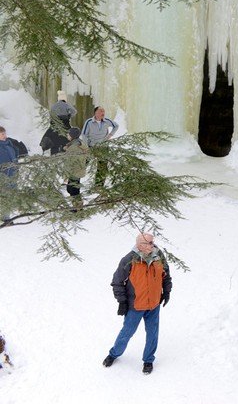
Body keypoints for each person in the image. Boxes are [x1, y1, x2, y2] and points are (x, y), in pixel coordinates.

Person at [103, 232, 172, 374]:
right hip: (135, 306)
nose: (152, 246)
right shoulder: (128, 260)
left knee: (152, 333)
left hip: (154, 304)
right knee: (127, 332)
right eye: (149, 243)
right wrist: (122, 302)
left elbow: (166, 276)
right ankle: (114, 354)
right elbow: (117, 282)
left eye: (153, 242)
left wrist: (166, 292)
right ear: (140, 245)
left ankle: (148, 360)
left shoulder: (159, 256)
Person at [81, 106, 118, 187]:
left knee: (103, 167)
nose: (103, 113)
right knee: (83, 164)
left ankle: (99, 186)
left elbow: (116, 126)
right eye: (101, 111)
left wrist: (110, 135)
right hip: (91, 147)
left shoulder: (107, 121)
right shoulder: (89, 122)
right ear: (96, 112)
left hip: (103, 147)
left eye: (104, 111)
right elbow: (84, 135)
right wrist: (86, 146)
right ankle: (74, 182)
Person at [63, 127, 88, 209]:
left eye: (68, 134)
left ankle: (78, 208)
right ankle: (77, 206)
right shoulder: (80, 143)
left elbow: (69, 163)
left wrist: (65, 176)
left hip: (74, 171)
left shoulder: (73, 147)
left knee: (72, 190)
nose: (67, 135)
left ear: (72, 136)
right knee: (73, 189)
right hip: (79, 170)